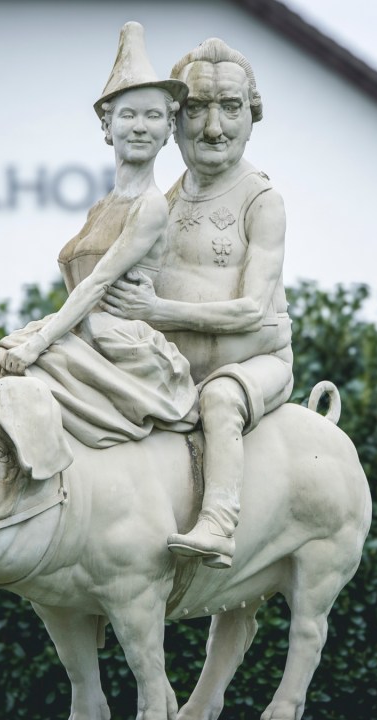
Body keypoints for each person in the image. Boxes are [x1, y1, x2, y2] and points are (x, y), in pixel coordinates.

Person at [102, 38, 294, 569]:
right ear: (174, 121)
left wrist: (157, 313)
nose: (213, 128)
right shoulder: (160, 203)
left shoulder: (262, 201)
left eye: (230, 108)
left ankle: (218, 524)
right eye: (197, 109)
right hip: (175, 371)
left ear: (251, 117)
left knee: (222, 399)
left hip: (253, 365)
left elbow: (252, 309)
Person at [0, 23, 198, 448]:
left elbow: (98, 282)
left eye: (153, 115)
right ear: (108, 126)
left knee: (17, 379)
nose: (140, 126)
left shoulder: (150, 205)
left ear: (169, 128)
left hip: (119, 346)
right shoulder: (101, 207)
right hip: (82, 333)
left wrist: (37, 344)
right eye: (128, 115)